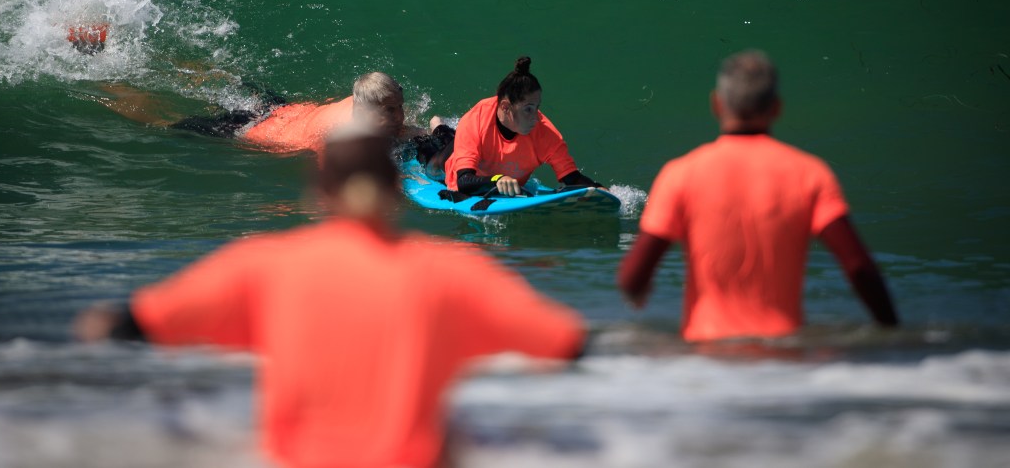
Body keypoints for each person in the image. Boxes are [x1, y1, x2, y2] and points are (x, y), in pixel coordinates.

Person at [74, 122, 587, 468]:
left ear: (319, 192)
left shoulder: (263, 264)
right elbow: (561, 340)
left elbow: (143, 321)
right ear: (396, 191)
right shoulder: (451, 272)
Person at [617, 50, 898, 342]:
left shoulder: (680, 174)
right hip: (783, 353)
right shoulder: (810, 173)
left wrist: (638, 291)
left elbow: (632, 277)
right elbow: (858, 267)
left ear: (717, 104)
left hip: (708, 354)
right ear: (776, 108)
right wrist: (892, 336)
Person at [98, 71, 431, 154]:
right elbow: (334, 183)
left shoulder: (366, 95)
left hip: (283, 109)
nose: (399, 116)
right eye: (390, 111)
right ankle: (103, 83)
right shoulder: (342, 136)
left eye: (400, 107)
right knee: (164, 123)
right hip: (253, 130)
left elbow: (403, 131)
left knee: (220, 78)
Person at [443, 56, 604, 196]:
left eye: (537, 108)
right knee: (434, 160)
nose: (536, 118)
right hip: (455, 174)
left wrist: (599, 189)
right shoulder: (475, 120)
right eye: (528, 109)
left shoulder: (545, 132)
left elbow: (571, 178)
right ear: (506, 107)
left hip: (500, 183)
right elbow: (464, 182)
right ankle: (438, 127)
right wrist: (497, 180)